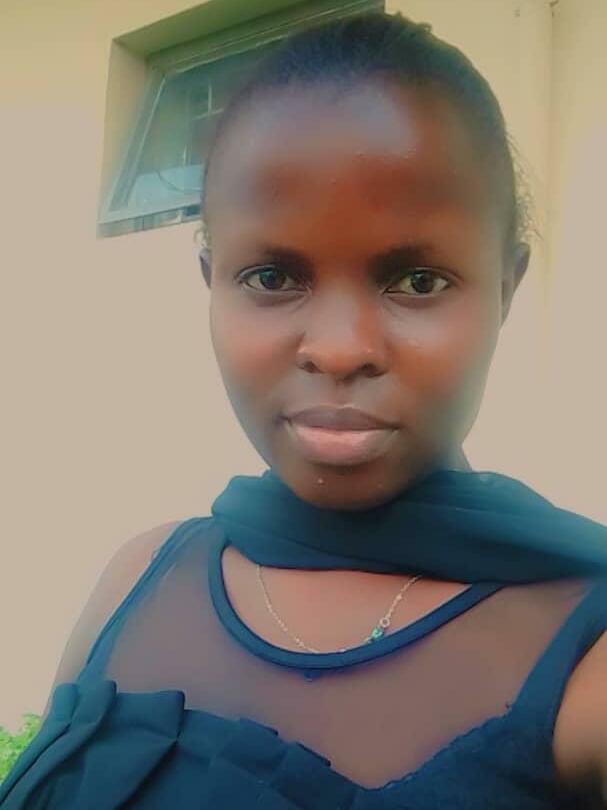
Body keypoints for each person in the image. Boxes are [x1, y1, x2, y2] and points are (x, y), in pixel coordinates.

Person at [2, 10, 607, 809]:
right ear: (212, 284)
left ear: (505, 290)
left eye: (416, 281)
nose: (338, 348)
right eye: (271, 278)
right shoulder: (135, 580)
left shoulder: (585, 660)